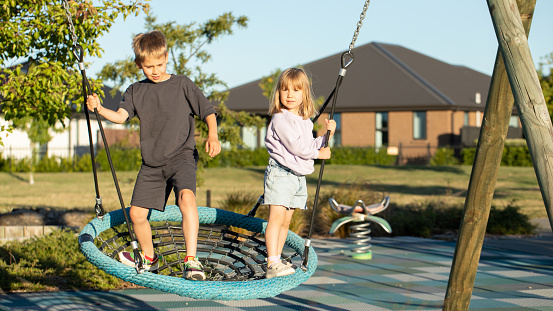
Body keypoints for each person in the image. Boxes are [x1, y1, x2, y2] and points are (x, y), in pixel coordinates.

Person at [86, 30, 221, 281]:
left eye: (159, 64)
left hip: (181, 156)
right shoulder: (135, 91)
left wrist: (212, 135)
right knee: (136, 214)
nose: (155, 71)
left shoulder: (182, 84)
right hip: (152, 163)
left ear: (167, 57)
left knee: (186, 198)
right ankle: (149, 257)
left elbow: (208, 111)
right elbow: (121, 116)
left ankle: (191, 260)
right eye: (149, 67)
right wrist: (100, 108)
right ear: (139, 64)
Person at [263, 68, 336, 279]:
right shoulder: (281, 118)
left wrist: (326, 136)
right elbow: (297, 147)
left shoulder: (304, 120)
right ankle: (272, 261)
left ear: (304, 94)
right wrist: (318, 153)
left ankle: (277, 256)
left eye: (296, 90)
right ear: (278, 93)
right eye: (285, 89)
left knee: (286, 221)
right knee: (276, 218)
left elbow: (308, 144)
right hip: (281, 174)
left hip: (296, 178)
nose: (290, 94)